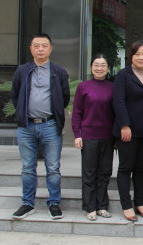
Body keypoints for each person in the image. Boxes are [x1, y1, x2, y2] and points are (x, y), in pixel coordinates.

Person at [11, 33, 69, 220]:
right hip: (26, 126)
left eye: (44, 46)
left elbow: (64, 97)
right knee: (28, 167)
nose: (40, 49)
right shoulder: (22, 71)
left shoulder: (59, 71)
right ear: (31, 49)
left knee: (53, 168)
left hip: (50, 125)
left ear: (50, 49)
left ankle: (54, 203)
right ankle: (28, 203)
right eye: (36, 46)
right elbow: (15, 95)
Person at [113, 40, 143, 222]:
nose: (141, 57)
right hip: (127, 130)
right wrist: (124, 125)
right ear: (131, 56)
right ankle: (127, 205)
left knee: (141, 168)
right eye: (137, 54)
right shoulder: (123, 75)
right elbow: (118, 101)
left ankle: (140, 202)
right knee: (125, 168)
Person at [72, 54, 115, 221]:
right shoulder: (83, 87)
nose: (99, 68)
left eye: (103, 65)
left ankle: (102, 206)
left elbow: (116, 113)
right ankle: (90, 207)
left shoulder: (113, 87)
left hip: (108, 136)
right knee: (89, 173)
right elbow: (77, 113)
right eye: (96, 65)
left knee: (104, 172)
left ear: (108, 68)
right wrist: (77, 135)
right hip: (89, 136)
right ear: (91, 67)